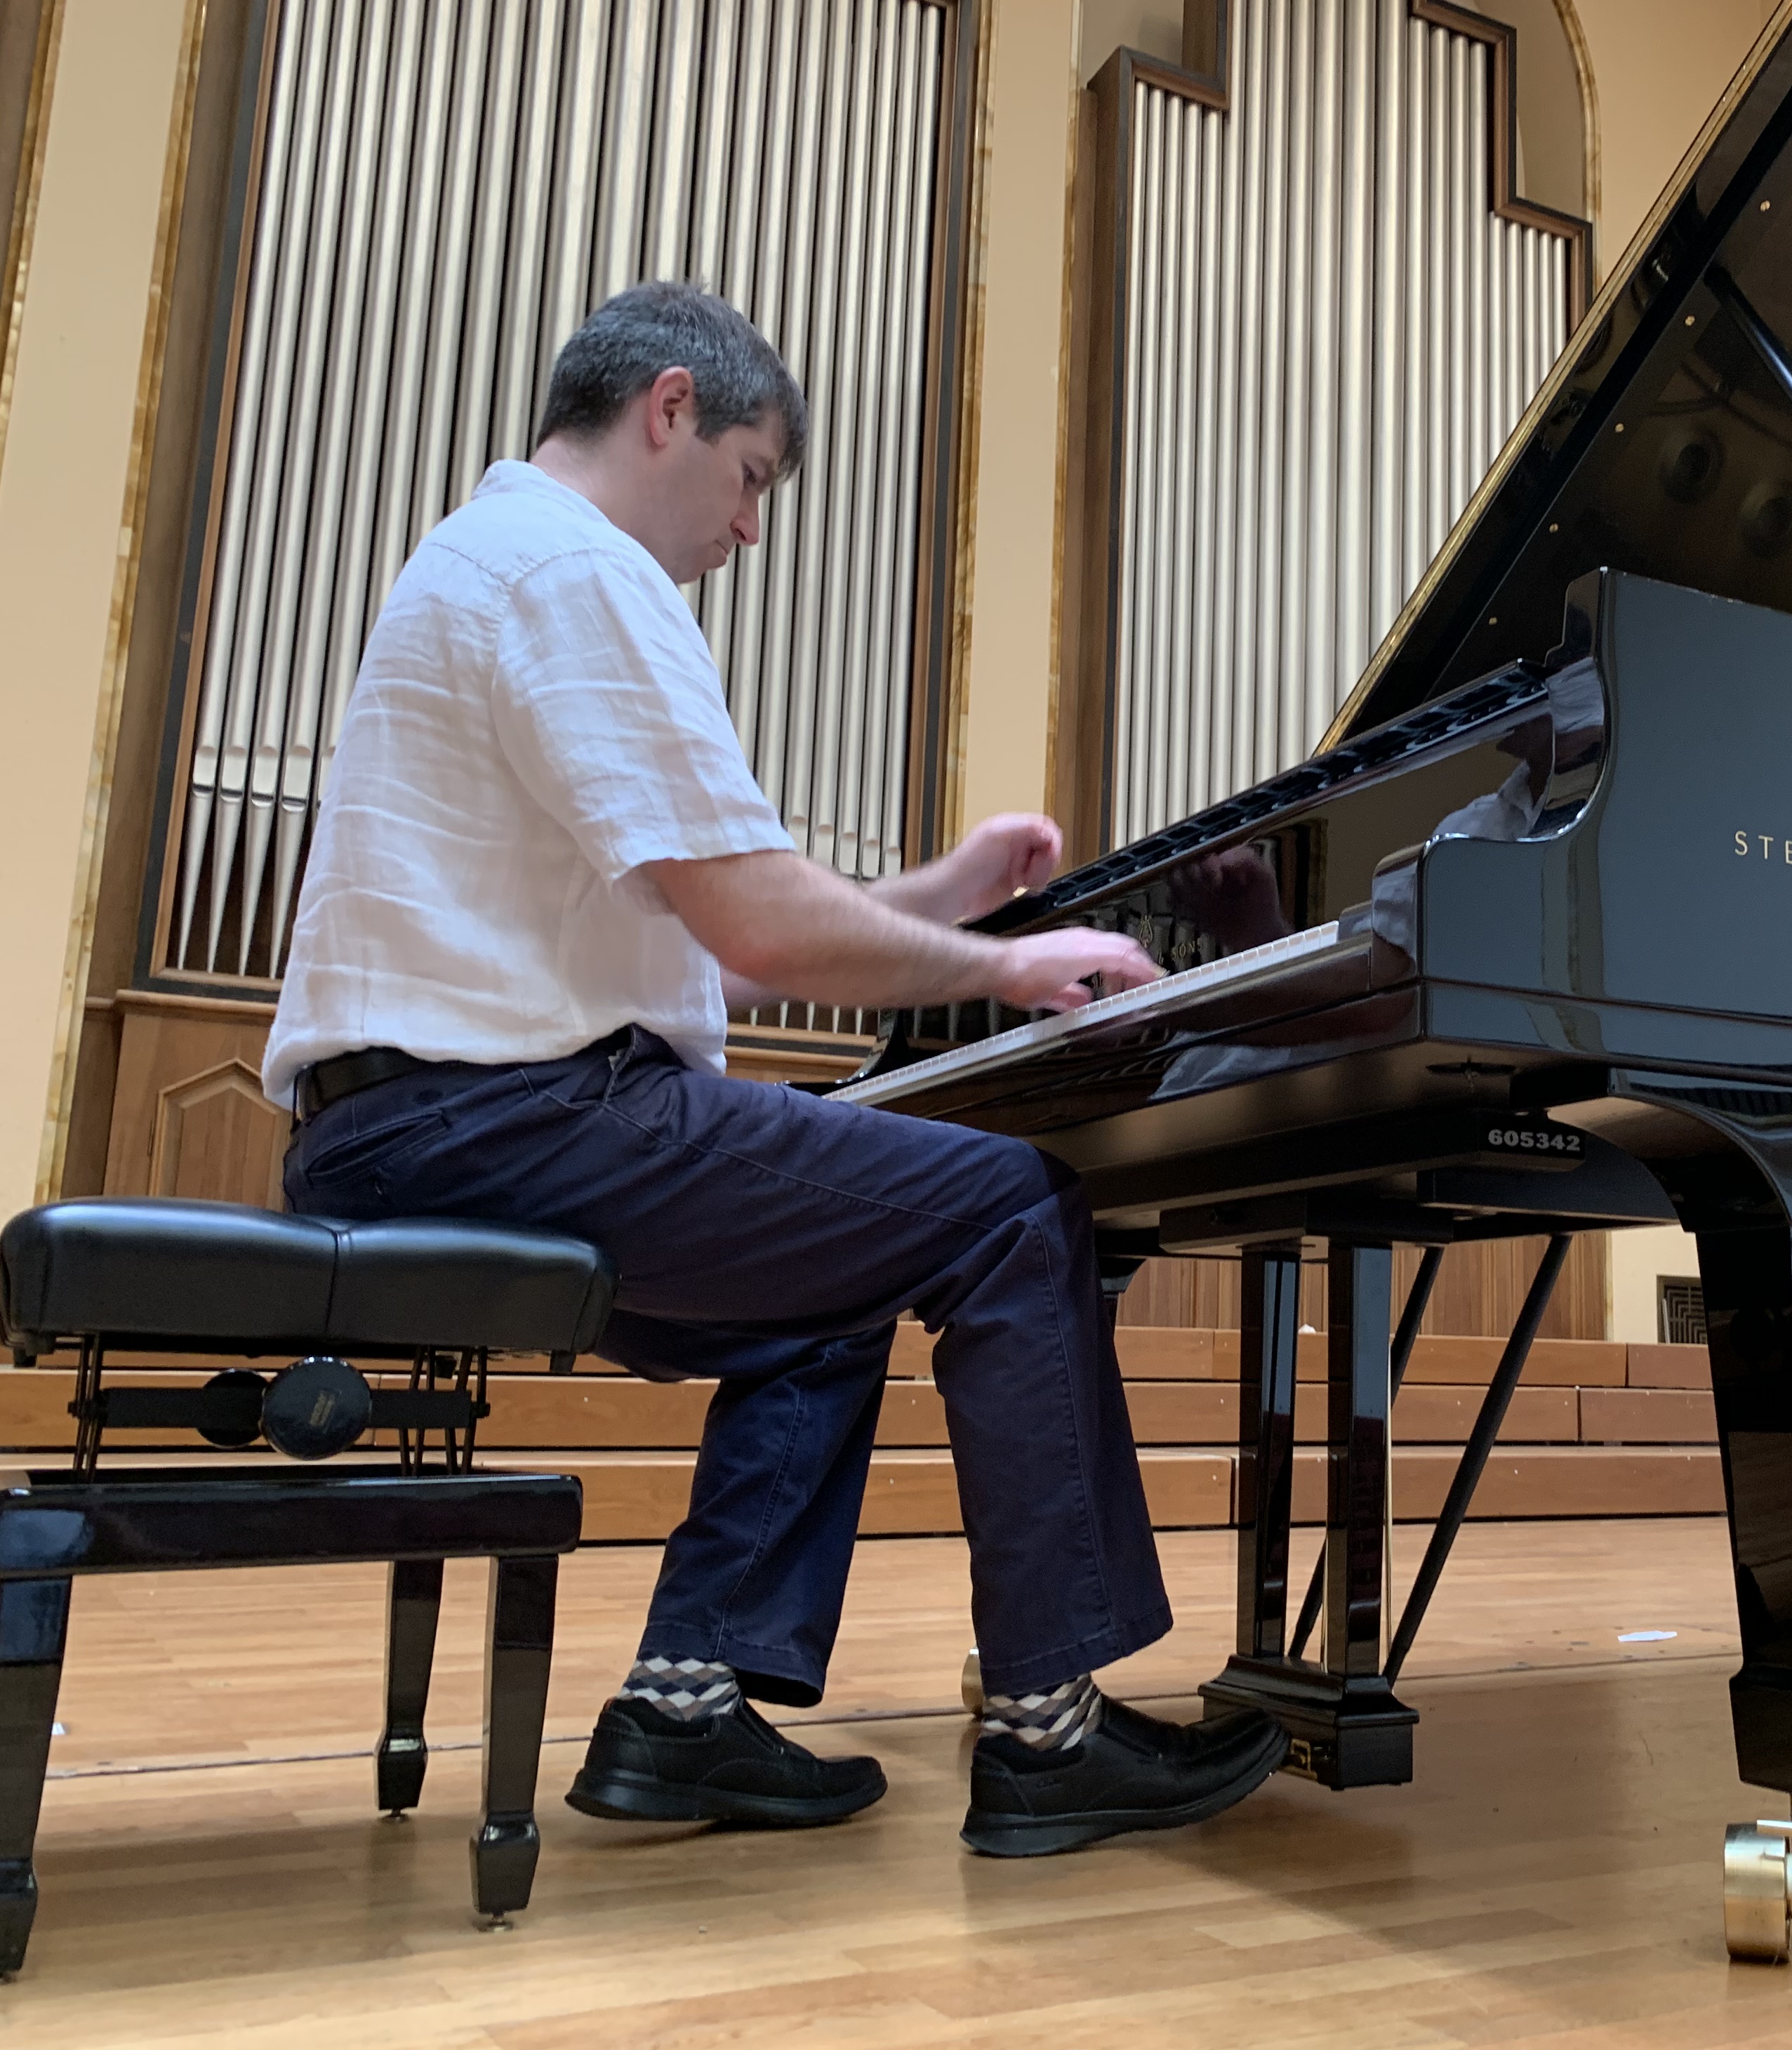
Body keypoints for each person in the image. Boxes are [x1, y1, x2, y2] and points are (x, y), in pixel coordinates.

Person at [260, 280, 1287, 1856]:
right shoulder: (577, 569)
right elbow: (758, 922)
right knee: (1016, 1208)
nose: (750, 529)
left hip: (417, 1124)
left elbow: (712, 958)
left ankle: (685, 1708)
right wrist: (1008, 967)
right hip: (504, 1117)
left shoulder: (492, 556)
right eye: (751, 477)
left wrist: (946, 898)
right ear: (670, 408)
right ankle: (1049, 1734)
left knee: (823, 1292)